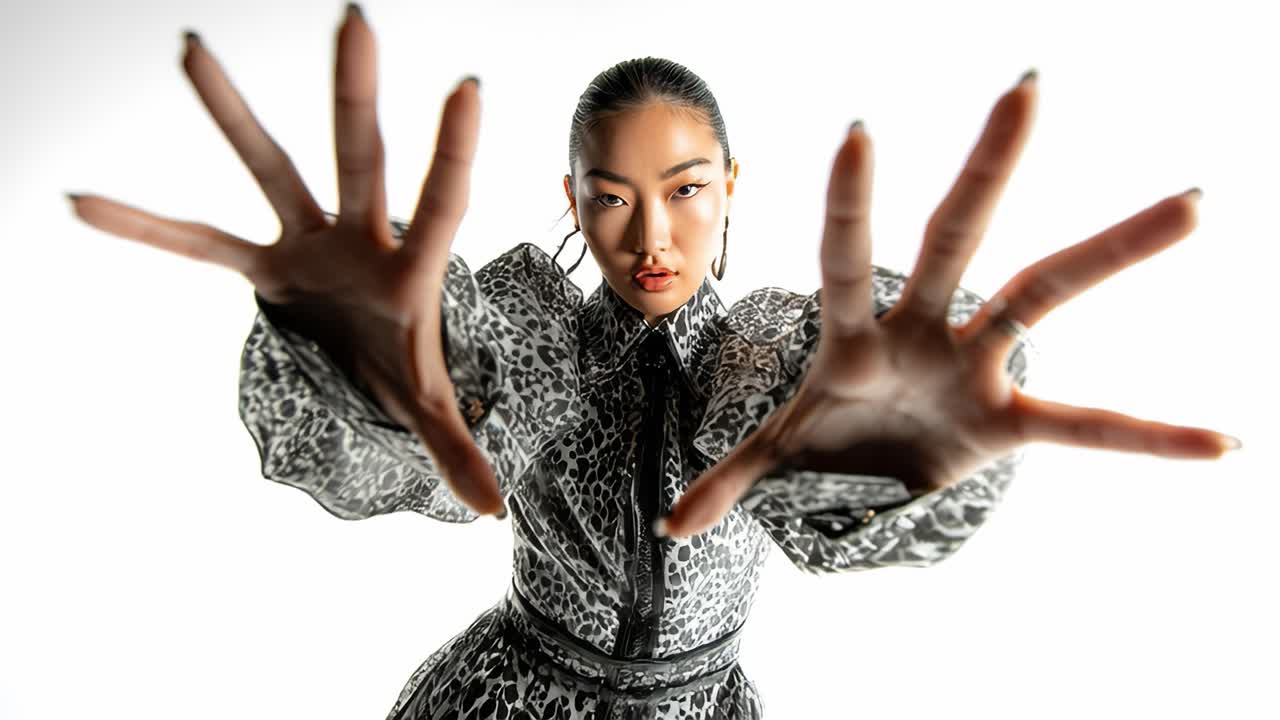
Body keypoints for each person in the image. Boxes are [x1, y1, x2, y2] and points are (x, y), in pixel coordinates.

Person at [66, 5, 1241, 718]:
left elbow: (778, 419)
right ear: (569, 203)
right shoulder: (530, 327)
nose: (648, 236)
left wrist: (885, 459)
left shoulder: (769, 345)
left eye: (683, 193)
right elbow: (454, 433)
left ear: (730, 189)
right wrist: (363, 372)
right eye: (609, 197)